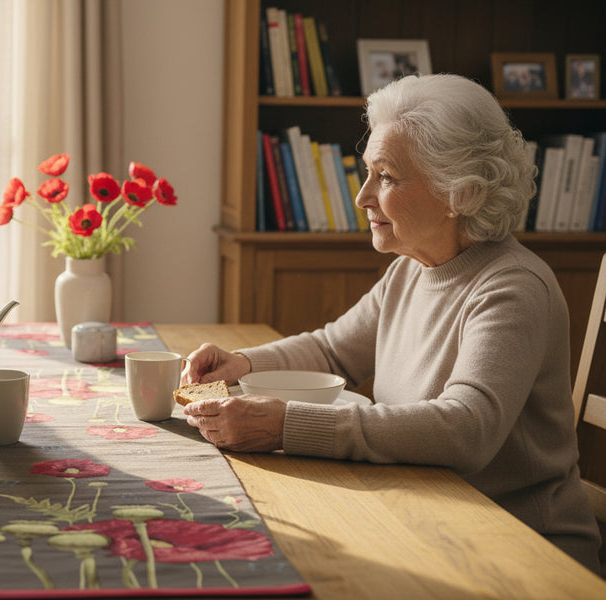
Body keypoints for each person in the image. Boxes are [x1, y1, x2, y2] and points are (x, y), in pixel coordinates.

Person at [181, 73, 602, 573]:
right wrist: (240, 364)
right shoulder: (412, 268)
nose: (362, 197)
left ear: (459, 192)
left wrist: (287, 424)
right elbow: (332, 350)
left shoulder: (513, 287)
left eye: (386, 176)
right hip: (426, 514)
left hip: (519, 548)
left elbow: (467, 428)